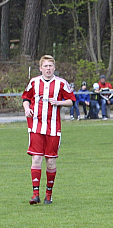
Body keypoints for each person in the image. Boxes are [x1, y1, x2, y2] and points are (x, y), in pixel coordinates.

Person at [22, 55, 76, 205]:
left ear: (54, 68)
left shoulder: (61, 83)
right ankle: (35, 194)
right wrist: (27, 109)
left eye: (50, 66)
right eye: (45, 66)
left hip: (53, 127)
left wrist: (58, 102)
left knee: (50, 161)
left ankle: (48, 194)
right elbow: (26, 98)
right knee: (36, 158)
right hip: (36, 126)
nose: (48, 69)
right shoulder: (34, 82)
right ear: (40, 68)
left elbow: (71, 101)